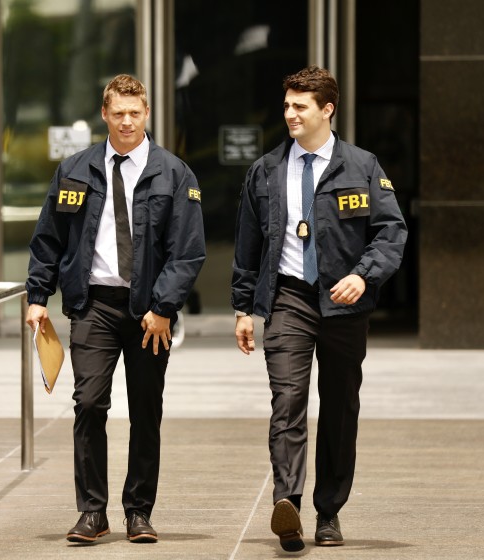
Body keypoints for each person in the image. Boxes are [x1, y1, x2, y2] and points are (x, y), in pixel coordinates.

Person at [231, 66, 407, 552]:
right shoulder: (265, 170)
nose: (289, 113)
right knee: (287, 401)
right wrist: (244, 308)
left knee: (339, 409)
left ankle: (328, 512)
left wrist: (362, 274)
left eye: (299, 106)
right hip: (288, 298)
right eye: (286, 105)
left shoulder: (363, 166)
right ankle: (286, 502)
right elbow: (248, 245)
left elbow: (391, 233)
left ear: (326, 110)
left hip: (343, 303)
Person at [25, 74, 205, 544]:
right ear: (104, 115)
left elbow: (188, 252)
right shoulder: (74, 169)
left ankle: (139, 511)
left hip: (150, 311)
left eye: (135, 113)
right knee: (88, 404)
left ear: (146, 114)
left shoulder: (174, 172)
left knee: (146, 410)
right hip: (94, 306)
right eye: (118, 113)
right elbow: (48, 239)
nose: (127, 121)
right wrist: (37, 297)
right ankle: (92, 512)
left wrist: (164, 307)